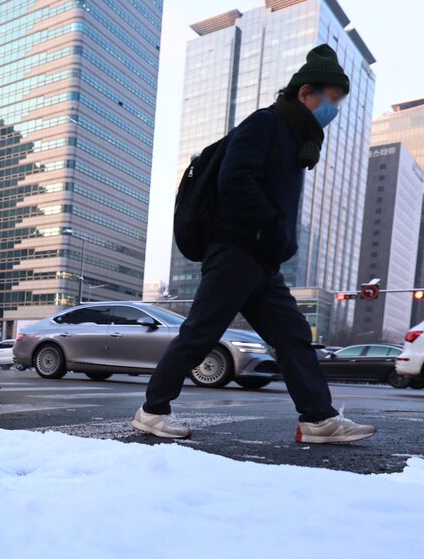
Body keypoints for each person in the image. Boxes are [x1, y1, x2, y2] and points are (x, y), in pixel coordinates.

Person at [133, 45, 376, 445]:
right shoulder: (266, 124)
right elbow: (235, 179)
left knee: (293, 336)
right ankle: (152, 411)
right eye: (330, 100)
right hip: (237, 250)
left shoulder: (296, 139)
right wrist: (271, 225)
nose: (334, 109)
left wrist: (276, 239)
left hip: (261, 260)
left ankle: (319, 420)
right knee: (200, 332)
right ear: (305, 93)